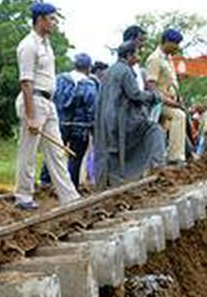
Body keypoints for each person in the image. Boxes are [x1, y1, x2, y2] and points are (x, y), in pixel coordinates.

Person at [14, 3, 80, 211]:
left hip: (48, 102)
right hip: (33, 100)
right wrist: (31, 115)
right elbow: (26, 81)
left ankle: (69, 196)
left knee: (57, 150)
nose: (54, 23)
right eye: (51, 18)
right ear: (40, 19)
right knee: (29, 151)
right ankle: (23, 196)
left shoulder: (46, 44)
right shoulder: (28, 45)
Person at [93, 42, 162, 188]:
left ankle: (109, 182)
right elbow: (135, 94)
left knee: (111, 154)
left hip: (106, 120)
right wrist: (153, 96)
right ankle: (157, 167)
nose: (138, 57)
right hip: (122, 120)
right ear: (129, 55)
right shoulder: (125, 71)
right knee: (154, 130)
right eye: (137, 53)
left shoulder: (110, 71)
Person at [51, 53, 99, 188]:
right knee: (75, 158)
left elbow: (53, 98)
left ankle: (47, 182)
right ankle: (71, 186)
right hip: (80, 127)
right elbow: (92, 108)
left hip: (60, 123)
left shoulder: (60, 79)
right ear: (89, 68)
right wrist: (93, 127)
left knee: (55, 154)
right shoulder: (90, 85)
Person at [143, 29, 188, 164]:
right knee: (179, 115)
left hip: (170, 101)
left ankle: (160, 156)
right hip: (159, 103)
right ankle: (175, 157)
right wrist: (169, 102)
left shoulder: (168, 59)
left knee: (165, 128)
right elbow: (151, 86)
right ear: (167, 41)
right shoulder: (155, 59)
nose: (178, 47)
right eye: (176, 44)